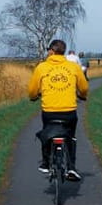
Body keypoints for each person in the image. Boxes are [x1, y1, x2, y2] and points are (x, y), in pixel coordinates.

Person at [28, 39, 88, 181]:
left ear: (51, 51)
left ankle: (46, 163)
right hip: (69, 112)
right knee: (71, 137)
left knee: (47, 132)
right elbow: (84, 88)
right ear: (64, 52)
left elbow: (32, 90)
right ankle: (71, 168)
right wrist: (82, 95)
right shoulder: (73, 67)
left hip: (49, 112)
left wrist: (34, 96)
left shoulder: (41, 67)